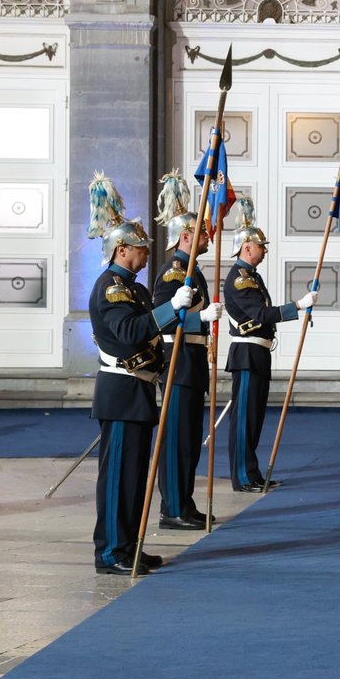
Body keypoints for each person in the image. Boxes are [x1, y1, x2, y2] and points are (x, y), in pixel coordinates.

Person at [86, 173, 189, 575]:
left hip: (140, 391)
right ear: (122, 250)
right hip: (122, 391)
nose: (147, 255)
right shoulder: (111, 289)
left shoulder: (137, 289)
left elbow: (149, 331)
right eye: (141, 250)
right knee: (117, 480)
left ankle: (127, 544)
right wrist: (168, 310)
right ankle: (111, 550)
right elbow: (129, 332)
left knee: (132, 479)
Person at [222, 199, 316, 493]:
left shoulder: (252, 277)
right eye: (261, 246)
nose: (264, 250)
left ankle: (252, 472)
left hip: (258, 352)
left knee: (255, 418)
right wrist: (297, 306)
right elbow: (260, 314)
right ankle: (243, 476)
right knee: (244, 420)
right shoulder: (240, 280)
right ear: (247, 248)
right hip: (247, 353)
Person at [152, 171, 224, 530]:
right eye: (203, 232)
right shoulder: (173, 274)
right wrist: (200, 320)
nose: (209, 236)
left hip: (193, 365)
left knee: (191, 442)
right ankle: (172, 509)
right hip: (178, 366)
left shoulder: (192, 271)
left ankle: (185, 501)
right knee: (178, 442)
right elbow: (162, 321)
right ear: (185, 236)